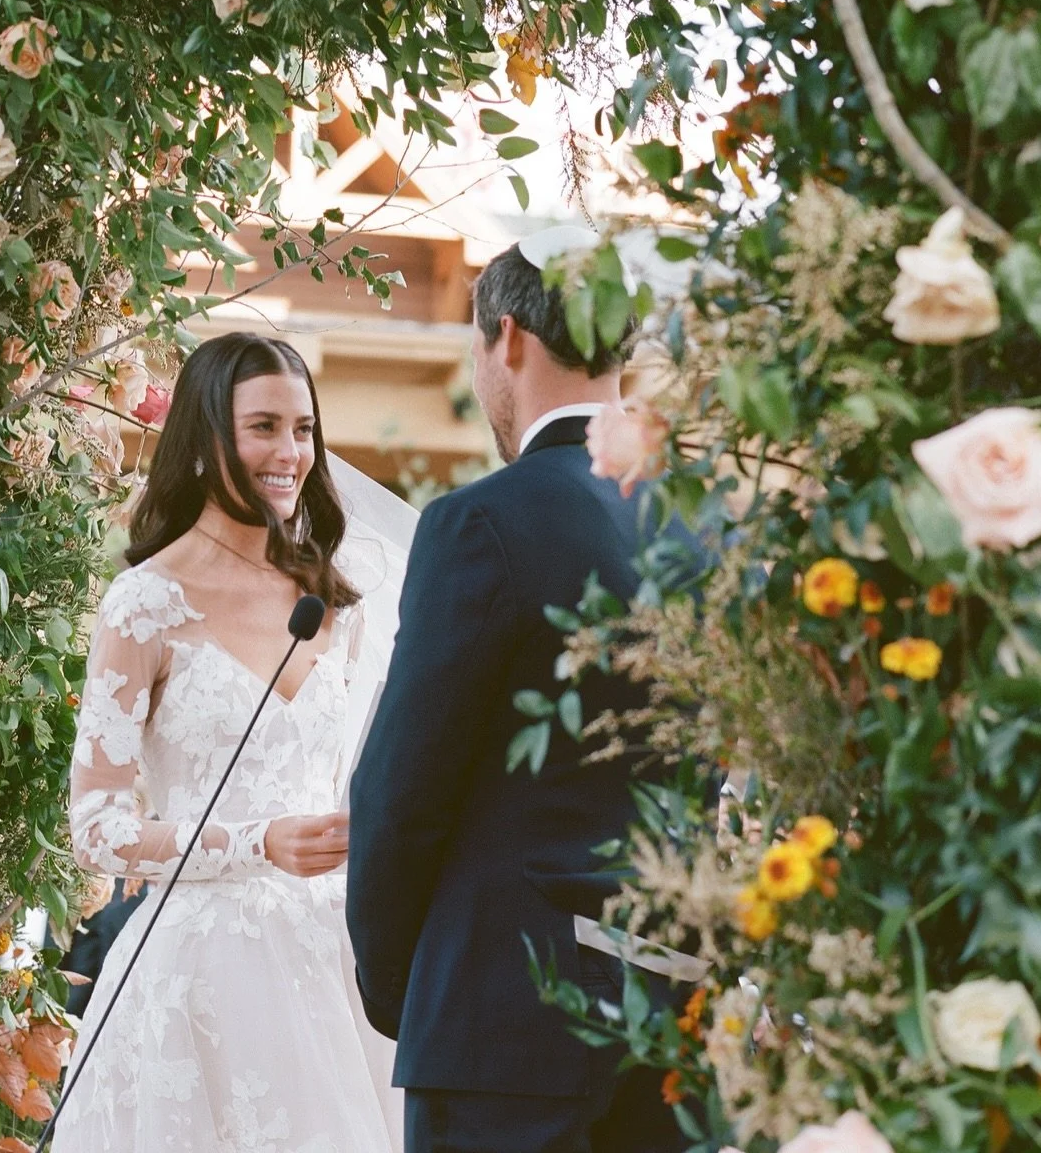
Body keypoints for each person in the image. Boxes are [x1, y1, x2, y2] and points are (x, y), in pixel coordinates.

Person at [347, 238, 691, 1153]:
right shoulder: (703, 526)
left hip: (503, 1027)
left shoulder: (482, 522)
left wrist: (398, 985)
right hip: (675, 1025)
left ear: (505, 338)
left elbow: (402, 789)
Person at [56, 332, 406, 1153]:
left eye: (304, 429)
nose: (291, 453)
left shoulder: (338, 601)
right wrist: (259, 843)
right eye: (264, 428)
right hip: (194, 980)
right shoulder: (142, 603)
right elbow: (97, 829)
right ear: (209, 439)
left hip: (333, 966)